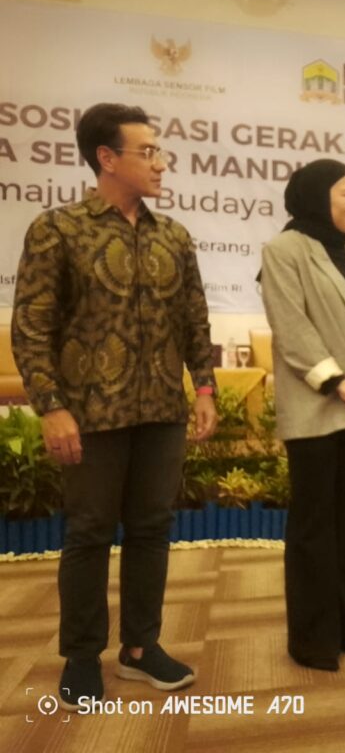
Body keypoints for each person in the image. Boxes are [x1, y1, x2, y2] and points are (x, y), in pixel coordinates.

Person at [11, 103, 218, 711]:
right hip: (90, 414)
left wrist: (204, 388)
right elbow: (31, 327)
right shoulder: (58, 229)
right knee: (89, 532)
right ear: (106, 158)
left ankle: (140, 648)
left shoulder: (173, 236)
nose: (161, 162)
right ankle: (81, 656)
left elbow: (195, 320)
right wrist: (51, 407)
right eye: (147, 151)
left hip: (161, 410)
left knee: (152, 529)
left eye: (159, 150)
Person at [259, 159, 345, 671]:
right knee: (314, 525)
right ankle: (314, 640)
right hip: (316, 406)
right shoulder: (284, 250)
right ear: (318, 196)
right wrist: (339, 383)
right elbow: (291, 327)